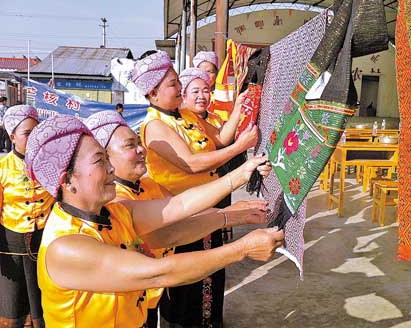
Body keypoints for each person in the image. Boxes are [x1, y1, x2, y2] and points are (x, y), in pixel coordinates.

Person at [26, 114, 283, 327]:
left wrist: (240, 175)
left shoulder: (114, 212)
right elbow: (158, 273)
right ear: (67, 180)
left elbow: (178, 207)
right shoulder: (65, 247)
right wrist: (242, 249)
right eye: (100, 161)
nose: (111, 169)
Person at [85, 110, 267, 328]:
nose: (142, 149)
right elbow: (169, 233)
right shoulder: (117, 202)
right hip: (132, 301)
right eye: (130, 145)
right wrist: (238, 238)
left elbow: (183, 208)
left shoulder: (148, 185)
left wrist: (235, 211)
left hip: (143, 300)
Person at [132, 51, 259, 327]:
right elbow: (191, 164)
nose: (180, 89)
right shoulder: (155, 125)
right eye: (173, 85)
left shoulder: (185, 115)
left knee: (209, 278)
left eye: (179, 83)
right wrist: (241, 148)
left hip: (204, 207)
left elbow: (222, 137)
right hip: (181, 214)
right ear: (153, 92)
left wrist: (240, 104)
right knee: (186, 286)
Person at [0, 105, 54, 327]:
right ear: (12, 136)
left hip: (44, 243)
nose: (34, 138)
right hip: (10, 246)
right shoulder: (2, 169)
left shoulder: (52, 164)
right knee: (13, 306)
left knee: (42, 304)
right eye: (27, 133)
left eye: (37, 131)